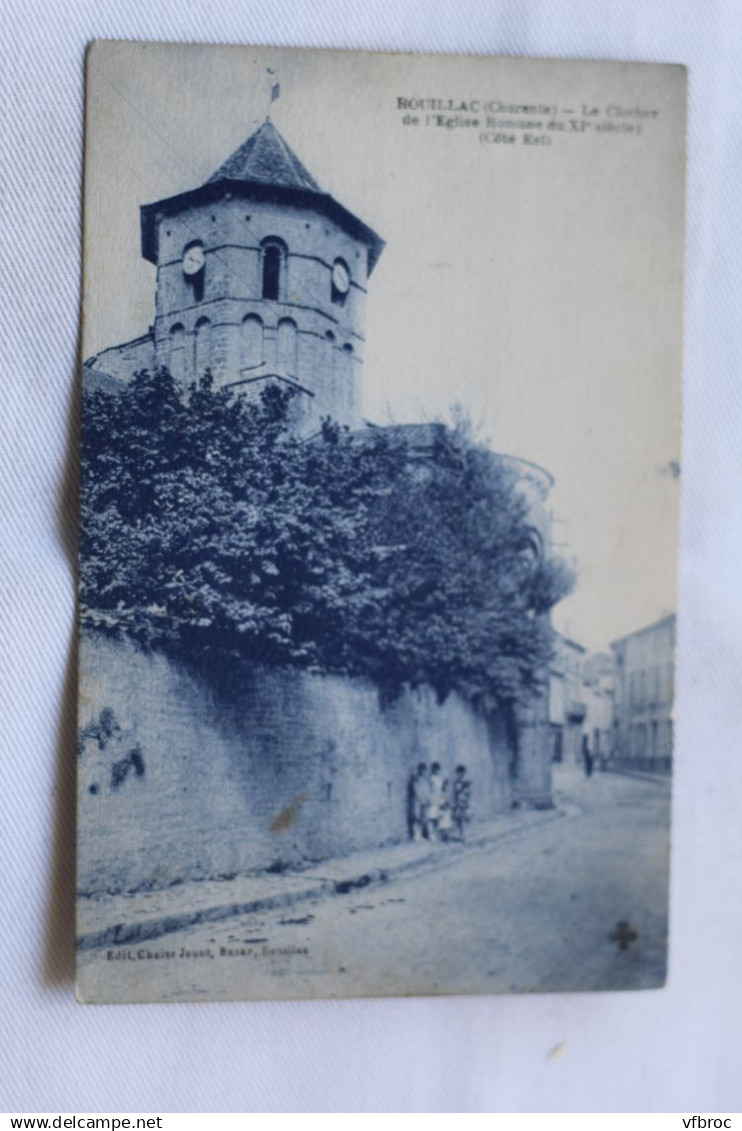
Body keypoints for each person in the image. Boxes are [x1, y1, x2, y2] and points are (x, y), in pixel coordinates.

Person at [409, 763, 430, 841]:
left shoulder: (425, 779)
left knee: (423, 818)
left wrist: (427, 799)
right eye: (421, 769)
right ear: (419, 770)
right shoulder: (416, 779)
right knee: (416, 817)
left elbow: (427, 790)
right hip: (418, 801)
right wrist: (421, 799)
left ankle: (420, 834)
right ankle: (415, 835)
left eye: (424, 770)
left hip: (424, 801)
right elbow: (416, 790)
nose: (423, 771)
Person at [452, 764, 471, 841]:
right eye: (459, 772)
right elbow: (456, 792)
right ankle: (461, 835)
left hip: (464, 800)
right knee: (459, 819)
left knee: (466, 818)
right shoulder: (456, 782)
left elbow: (469, 792)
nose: (461, 774)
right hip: (459, 801)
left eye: (462, 772)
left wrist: (468, 800)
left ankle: (464, 834)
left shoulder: (466, 781)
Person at [426, 762, 445, 840]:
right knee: (431, 817)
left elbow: (441, 789)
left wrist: (442, 798)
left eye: (438, 769)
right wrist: (429, 798)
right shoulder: (430, 778)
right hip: (432, 798)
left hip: (439, 798)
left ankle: (436, 833)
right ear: (433, 770)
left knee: (438, 816)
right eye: (435, 769)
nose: (437, 771)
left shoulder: (439, 778)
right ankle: (431, 834)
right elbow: (429, 789)